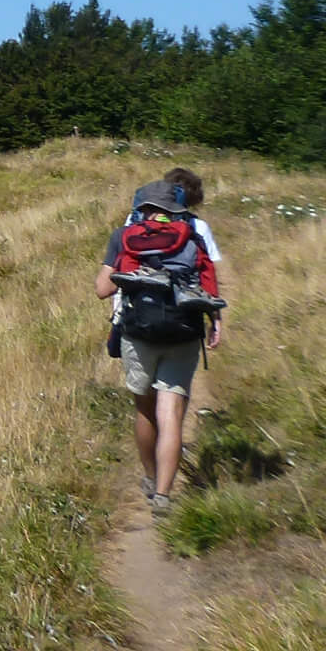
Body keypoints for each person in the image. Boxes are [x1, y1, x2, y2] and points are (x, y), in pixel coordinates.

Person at [95, 167, 225, 515]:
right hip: (184, 331)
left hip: (139, 332)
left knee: (145, 410)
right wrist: (216, 321)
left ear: (142, 207)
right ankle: (164, 496)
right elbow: (210, 283)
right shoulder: (195, 234)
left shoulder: (125, 235)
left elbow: (102, 289)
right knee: (172, 414)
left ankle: (151, 479)